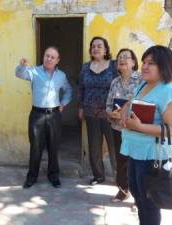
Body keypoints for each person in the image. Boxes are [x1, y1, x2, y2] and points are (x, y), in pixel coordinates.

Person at [120, 45, 172, 225]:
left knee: (149, 203)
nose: (145, 66)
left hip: (152, 156)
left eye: (151, 63)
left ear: (164, 66)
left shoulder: (169, 91)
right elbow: (131, 102)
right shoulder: (144, 85)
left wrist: (140, 127)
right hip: (136, 152)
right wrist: (124, 113)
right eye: (144, 62)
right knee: (138, 195)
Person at [15, 46, 72, 189]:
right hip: (37, 115)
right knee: (36, 147)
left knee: (54, 146)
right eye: (47, 55)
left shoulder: (61, 76)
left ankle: (53, 176)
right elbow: (20, 74)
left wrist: (63, 103)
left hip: (54, 115)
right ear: (44, 57)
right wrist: (22, 66)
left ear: (57, 60)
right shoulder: (34, 71)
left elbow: (68, 90)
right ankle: (31, 177)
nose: (49, 59)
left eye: (53, 57)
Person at [78, 36, 118, 185]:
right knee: (94, 147)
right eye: (93, 46)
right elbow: (81, 88)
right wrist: (81, 107)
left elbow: (120, 86)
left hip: (110, 114)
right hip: (90, 112)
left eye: (99, 46)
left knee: (114, 147)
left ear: (106, 49)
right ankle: (98, 176)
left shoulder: (113, 66)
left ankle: (119, 177)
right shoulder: (85, 67)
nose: (95, 48)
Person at [105, 48, 142, 202]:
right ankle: (123, 190)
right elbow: (108, 104)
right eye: (120, 57)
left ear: (134, 62)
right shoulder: (115, 81)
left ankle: (139, 196)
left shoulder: (142, 80)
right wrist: (110, 113)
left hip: (136, 129)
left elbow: (145, 104)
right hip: (118, 128)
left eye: (126, 57)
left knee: (137, 162)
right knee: (121, 160)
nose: (122, 59)